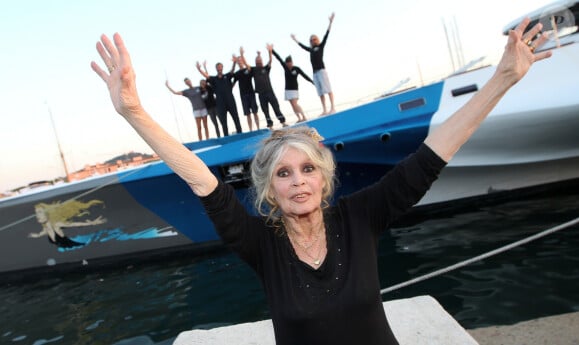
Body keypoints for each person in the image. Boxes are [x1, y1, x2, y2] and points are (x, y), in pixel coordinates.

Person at [91, 18, 551, 345]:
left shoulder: (361, 217)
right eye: (284, 174)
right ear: (270, 190)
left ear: (325, 177)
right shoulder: (261, 243)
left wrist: (502, 79)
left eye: (308, 169)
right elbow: (202, 181)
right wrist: (134, 110)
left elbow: (432, 155)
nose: (298, 182)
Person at [291, 12, 336, 115]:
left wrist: (330, 22)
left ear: (317, 40)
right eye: (311, 40)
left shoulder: (320, 47)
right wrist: (295, 40)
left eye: (314, 39)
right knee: (320, 92)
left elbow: (326, 35)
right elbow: (302, 46)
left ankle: (332, 107)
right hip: (315, 73)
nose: (313, 41)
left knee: (328, 89)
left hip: (321, 71)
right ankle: (324, 109)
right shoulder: (310, 50)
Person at [240, 45, 287, 129]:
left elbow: (270, 61)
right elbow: (245, 64)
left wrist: (269, 52)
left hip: (269, 92)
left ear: (262, 61)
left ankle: (283, 122)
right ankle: (270, 125)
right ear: (255, 62)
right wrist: (242, 54)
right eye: (257, 61)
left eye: (260, 60)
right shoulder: (253, 70)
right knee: (265, 110)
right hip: (261, 94)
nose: (258, 61)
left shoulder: (266, 68)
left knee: (276, 107)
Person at [196, 59, 243, 136]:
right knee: (223, 121)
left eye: (220, 67)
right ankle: (226, 136)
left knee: (236, 118)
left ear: (222, 68)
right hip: (220, 103)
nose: (219, 68)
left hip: (230, 101)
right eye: (218, 67)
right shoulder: (213, 79)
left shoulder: (227, 76)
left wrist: (234, 62)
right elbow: (206, 76)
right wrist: (199, 69)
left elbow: (232, 71)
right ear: (216, 69)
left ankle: (240, 133)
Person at [271, 46, 313, 123]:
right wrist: (272, 50)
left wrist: (312, 81)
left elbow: (304, 75)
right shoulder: (285, 68)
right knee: (292, 105)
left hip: (294, 89)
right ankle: (299, 118)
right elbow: (279, 58)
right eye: (287, 63)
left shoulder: (296, 69)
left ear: (292, 62)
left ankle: (304, 116)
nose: (288, 64)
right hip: (287, 89)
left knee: (295, 103)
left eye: (290, 63)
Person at [233, 48, 260, 131]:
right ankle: (251, 129)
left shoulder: (248, 69)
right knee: (247, 114)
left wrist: (242, 55)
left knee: (255, 112)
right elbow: (232, 84)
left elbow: (248, 67)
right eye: (238, 61)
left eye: (241, 60)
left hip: (251, 93)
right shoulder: (237, 74)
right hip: (243, 95)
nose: (240, 62)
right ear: (237, 63)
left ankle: (258, 128)